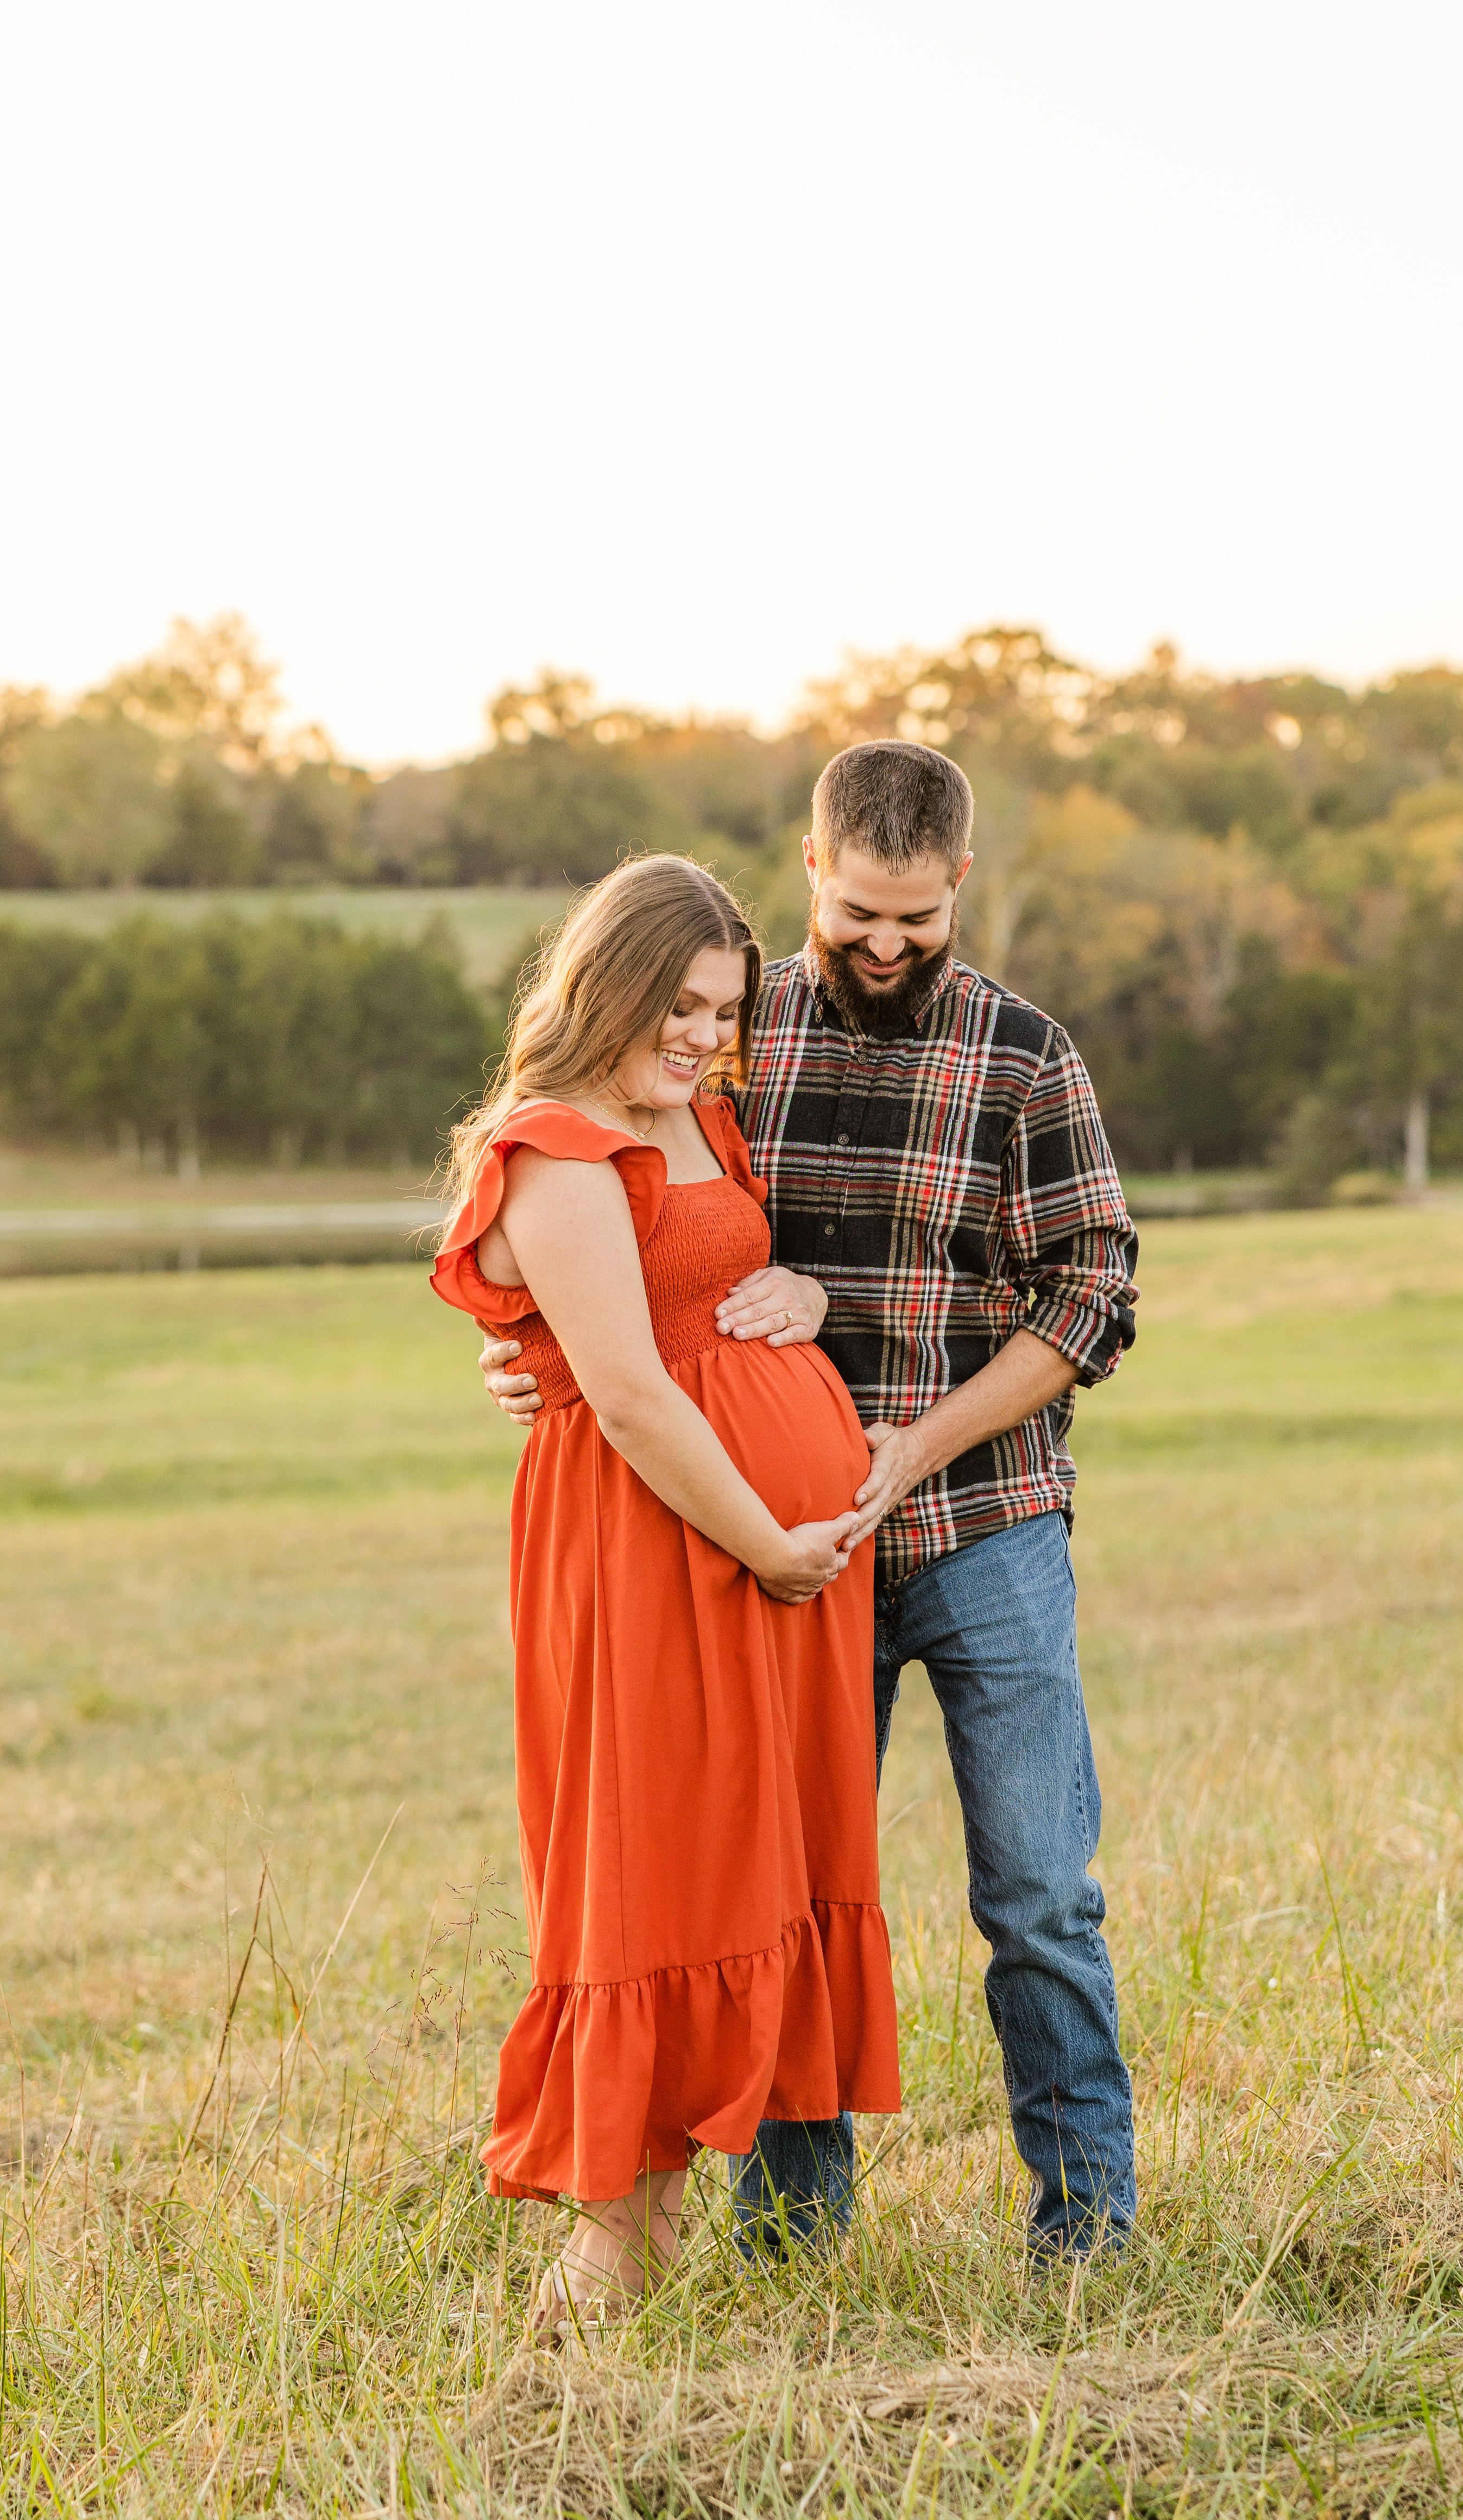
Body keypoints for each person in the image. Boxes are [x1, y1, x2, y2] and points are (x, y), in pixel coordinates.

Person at [482, 743, 1140, 2258]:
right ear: (808, 868)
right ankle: (793, 2238)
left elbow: (1090, 1293)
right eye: (858, 912)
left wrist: (917, 1445)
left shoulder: (1022, 1054)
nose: (888, 943)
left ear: (960, 882)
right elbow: (609, 1224)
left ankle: (1086, 2231)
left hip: (982, 1528)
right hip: (759, 1555)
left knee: (1038, 1893)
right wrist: (534, 1364)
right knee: (777, 1890)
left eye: (918, 916)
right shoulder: (721, 1027)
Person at [432, 853, 899, 2331]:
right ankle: (603, 2270)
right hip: (657, 1552)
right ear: (605, 984)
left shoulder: (696, 1118)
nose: (705, 1035)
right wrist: (765, 1540)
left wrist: (812, 1306)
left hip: (770, 1555)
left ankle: (676, 2235)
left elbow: (714, 1290)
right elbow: (629, 1393)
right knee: (652, 1867)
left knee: (736, 1861)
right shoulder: (557, 1149)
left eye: (723, 1008)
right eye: (678, 1005)